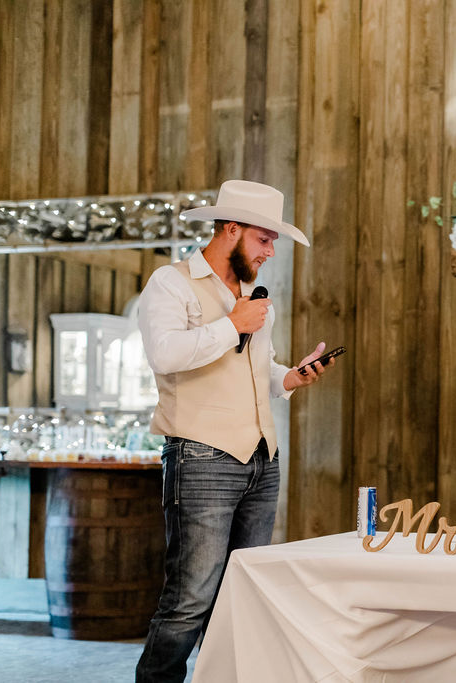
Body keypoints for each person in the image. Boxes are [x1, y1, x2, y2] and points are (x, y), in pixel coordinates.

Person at [135, 179, 333, 683]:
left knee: (241, 596)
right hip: (201, 459)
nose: (270, 252)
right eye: (264, 239)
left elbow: (252, 369)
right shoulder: (170, 283)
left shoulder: (251, 297)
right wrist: (234, 324)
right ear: (230, 229)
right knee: (189, 601)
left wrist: (289, 376)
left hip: (262, 460)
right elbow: (166, 355)